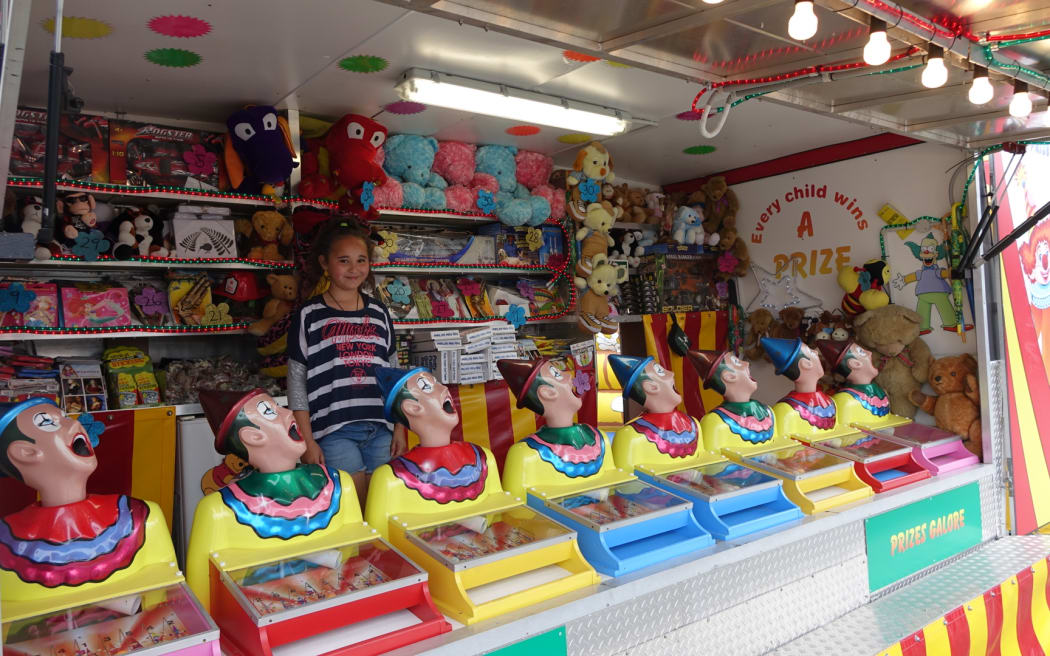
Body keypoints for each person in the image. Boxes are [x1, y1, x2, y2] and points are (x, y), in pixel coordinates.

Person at [287, 218, 406, 506]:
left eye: (361, 260)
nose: (354, 268)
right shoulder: (309, 315)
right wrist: (307, 441)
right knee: (352, 508)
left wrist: (400, 428)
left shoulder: (379, 312)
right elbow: (296, 381)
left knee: (384, 507)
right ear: (325, 263)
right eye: (344, 260)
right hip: (333, 432)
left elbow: (395, 373)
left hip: (381, 429)